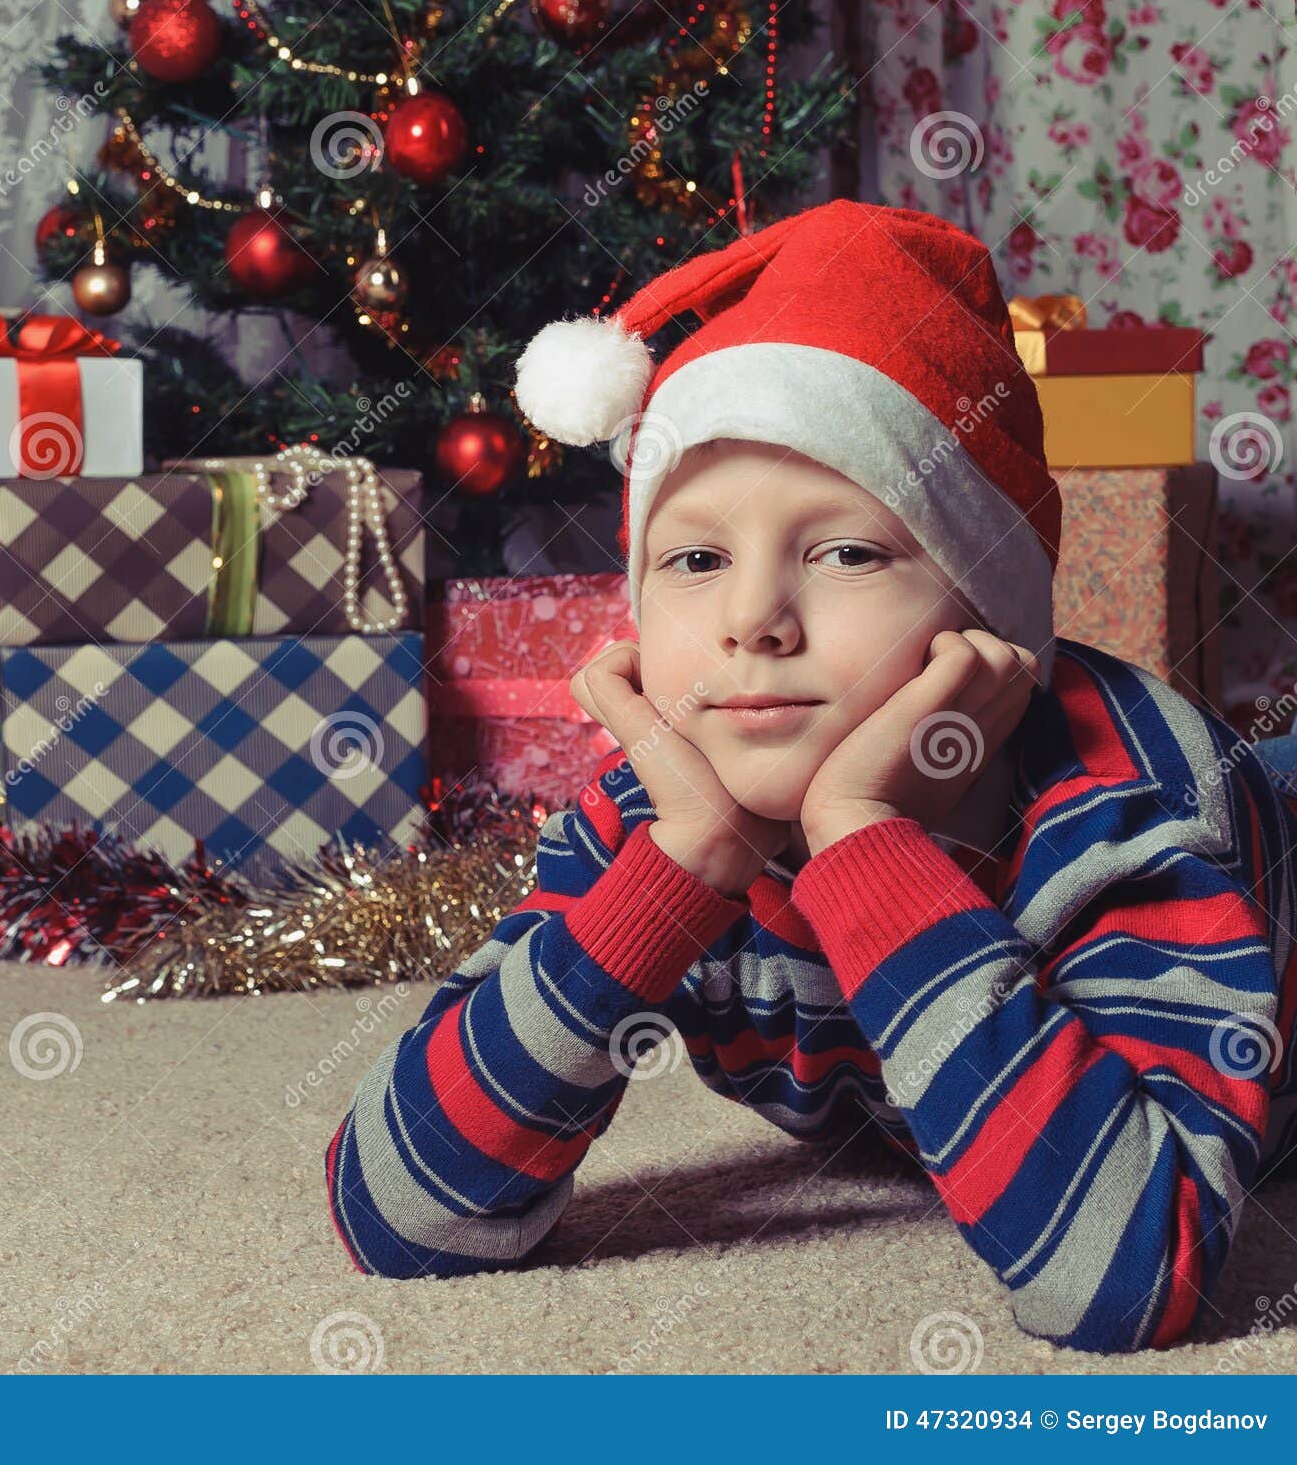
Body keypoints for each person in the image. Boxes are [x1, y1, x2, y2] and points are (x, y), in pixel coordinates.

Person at [324, 199, 1297, 1355]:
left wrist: (861, 839)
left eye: (845, 552)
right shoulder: (662, 806)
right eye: (694, 558)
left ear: (988, 616)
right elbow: (396, 1216)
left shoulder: (1130, 809)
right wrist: (681, 867)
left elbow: (1127, 1282)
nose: (750, 621)